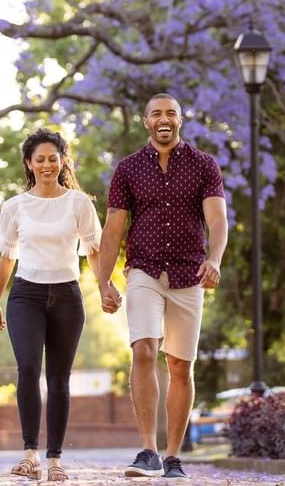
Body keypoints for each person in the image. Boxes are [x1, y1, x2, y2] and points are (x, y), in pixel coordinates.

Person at [97, 93, 228, 480]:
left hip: (190, 273)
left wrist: (215, 260)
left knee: (180, 366)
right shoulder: (128, 169)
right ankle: (147, 451)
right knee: (144, 349)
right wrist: (103, 282)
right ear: (146, 122)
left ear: (181, 120)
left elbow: (217, 222)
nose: (164, 118)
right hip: (144, 270)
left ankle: (173, 457)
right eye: (156, 113)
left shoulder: (204, 165)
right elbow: (113, 230)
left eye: (171, 112)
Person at [0, 128, 110, 483]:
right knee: (28, 369)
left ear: (62, 161)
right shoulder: (14, 207)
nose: (46, 165)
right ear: (28, 163)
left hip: (67, 298)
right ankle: (30, 453)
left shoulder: (78, 203)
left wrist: (106, 286)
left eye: (52, 159)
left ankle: (54, 458)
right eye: (39, 159)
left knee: (59, 378)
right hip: (26, 295)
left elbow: (93, 251)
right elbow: (7, 258)